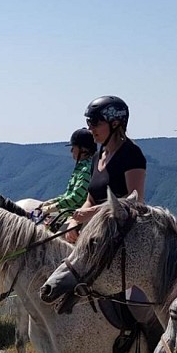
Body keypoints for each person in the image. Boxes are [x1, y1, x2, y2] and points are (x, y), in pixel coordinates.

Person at [64, 96, 146, 244]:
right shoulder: (97, 157)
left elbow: (135, 201)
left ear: (115, 123)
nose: (90, 128)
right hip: (96, 233)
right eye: (89, 122)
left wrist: (92, 212)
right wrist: (74, 222)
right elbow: (91, 199)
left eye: (95, 122)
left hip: (121, 238)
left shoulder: (131, 154)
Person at [36, 128, 95, 229]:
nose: (71, 150)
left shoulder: (86, 169)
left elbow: (75, 197)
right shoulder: (81, 167)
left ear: (83, 149)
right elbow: (68, 194)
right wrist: (51, 202)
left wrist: (50, 208)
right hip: (68, 214)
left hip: (77, 216)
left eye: (74, 147)